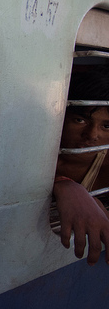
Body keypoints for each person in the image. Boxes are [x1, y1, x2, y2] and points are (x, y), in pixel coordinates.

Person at [52, 65, 109, 266]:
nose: (92, 135)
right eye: (80, 119)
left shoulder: (105, 163)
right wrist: (64, 185)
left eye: (106, 126)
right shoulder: (35, 154)